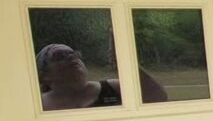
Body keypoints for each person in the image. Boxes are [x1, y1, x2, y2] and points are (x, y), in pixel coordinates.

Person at [36, 43, 167, 110]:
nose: (71, 59)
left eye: (73, 54)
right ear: (45, 75)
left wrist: (128, 64)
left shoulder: (113, 88)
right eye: (60, 57)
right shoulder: (40, 106)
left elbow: (158, 97)